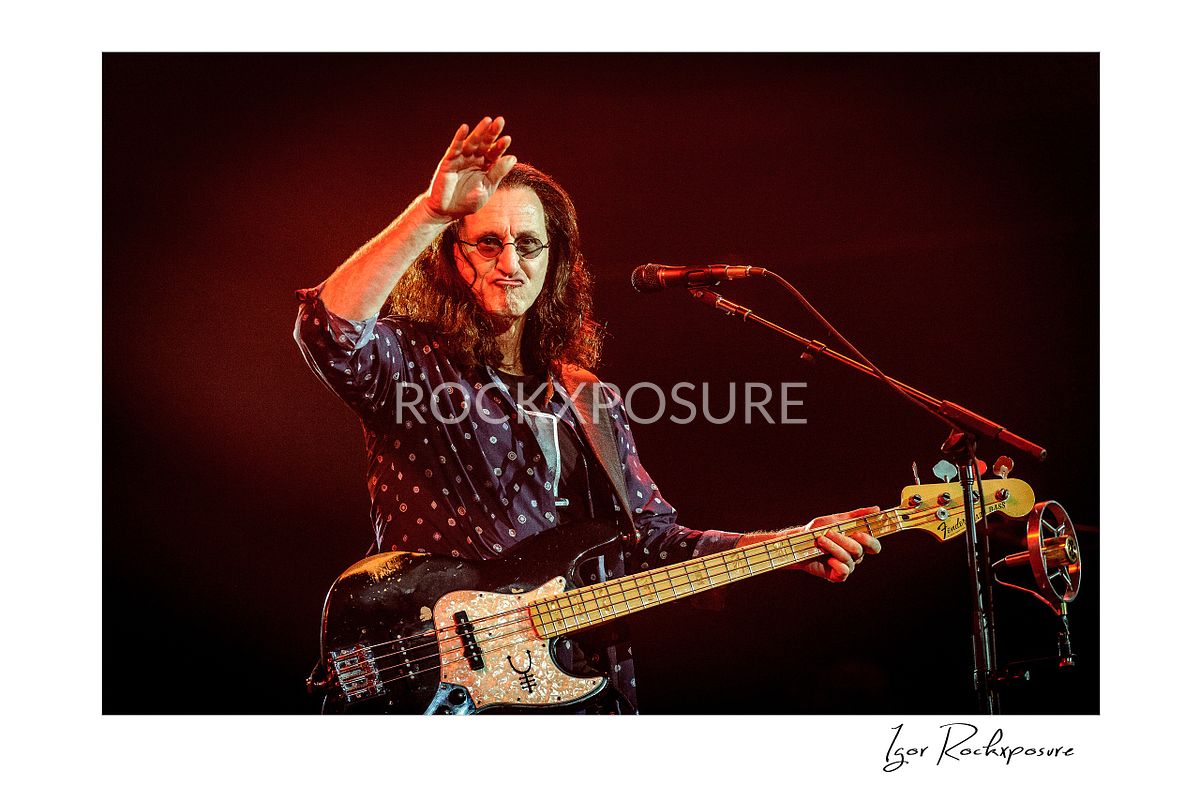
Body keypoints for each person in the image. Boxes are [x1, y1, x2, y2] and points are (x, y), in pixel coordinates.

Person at [294, 116, 882, 713]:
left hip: (580, 687)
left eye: (528, 244)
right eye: (488, 242)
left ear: (554, 261)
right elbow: (327, 329)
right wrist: (432, 212)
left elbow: (653, 542)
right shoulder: (411, 363)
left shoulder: (588, 397)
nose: (510, 262)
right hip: (442, 687)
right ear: (452, 255)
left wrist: (785, 546)